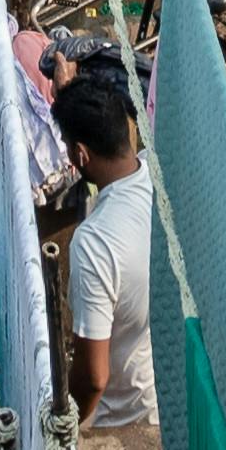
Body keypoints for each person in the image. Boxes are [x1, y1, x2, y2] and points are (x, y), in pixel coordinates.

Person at [57, 62, 153, 424]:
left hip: (126, 421)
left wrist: (67, 428)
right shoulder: (158, 175)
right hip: (171, 399)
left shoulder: (94, 243)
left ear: (80, 155)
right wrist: (69, 95)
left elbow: (94, 380)